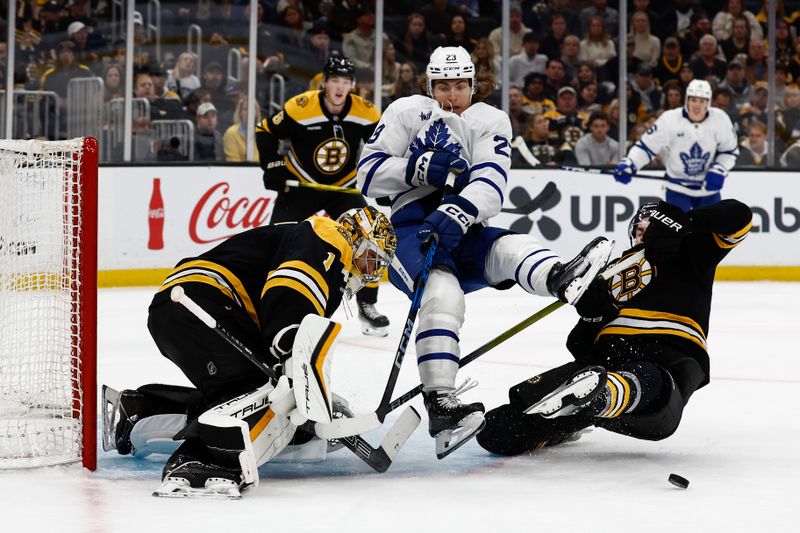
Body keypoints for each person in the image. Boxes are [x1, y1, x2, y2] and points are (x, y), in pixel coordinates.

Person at [356, 46, 614, 458]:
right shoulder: (406, 111)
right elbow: (366, 174)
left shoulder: (491, 120)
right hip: (410, 230)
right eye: (443, 85)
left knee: (511, 247)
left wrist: (459, 210)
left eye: (460, 85)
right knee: (443, 294)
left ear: (473, 85)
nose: (452, 94)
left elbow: (492, 183)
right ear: (429, 85)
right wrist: (414, 169)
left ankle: (561, 277)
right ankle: (441, 403)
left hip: (464, 226)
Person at [102, 207, 397, 498]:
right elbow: (289, 292)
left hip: (189, 303)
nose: (369, 273)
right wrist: (295, 373)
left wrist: (307, 403)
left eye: (377, 267)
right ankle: (205, 461)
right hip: (202, 302)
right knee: (266, 393)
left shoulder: (325, 251)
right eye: (370, 258)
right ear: (355, 236)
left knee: (243, 394)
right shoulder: (331, 238)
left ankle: (142, 412)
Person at [476, 199, 753, 457]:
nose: (644, 235)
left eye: (652, 227)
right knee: (499, 428)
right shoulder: (610, 273)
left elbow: (740, 216)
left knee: (645, 378)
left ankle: (600, 396)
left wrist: (687, 222)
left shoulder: (692, 248)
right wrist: (590, 315)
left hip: (667, 357)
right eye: (641, 229)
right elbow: (580, 345)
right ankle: (584, 405)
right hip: (603, 362)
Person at [255, 55, 391, 337]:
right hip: (302, 186)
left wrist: (384, 180)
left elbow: (385, 147)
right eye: (335, 81)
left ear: (352, 85)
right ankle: (259, 301)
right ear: (324, 82)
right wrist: (273, 166)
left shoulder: (366, 112)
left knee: (370, 237)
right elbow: (265, 131)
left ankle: (367, 305)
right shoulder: (301, 107)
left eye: (346, 82)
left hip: (343, 188)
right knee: (275, 240)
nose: (340, 88)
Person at [613, 79, 739, 212]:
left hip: (707, 190)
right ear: (687, 100)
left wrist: (719, 169)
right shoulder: (670, 120)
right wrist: (630, 163)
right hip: (677, 189)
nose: (697, 105)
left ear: (708, 102)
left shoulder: (720, 119)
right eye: (694, 100)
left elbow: (729, 151)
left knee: (711, 232)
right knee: (677, 231)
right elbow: (647, 147)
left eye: (702, 101)